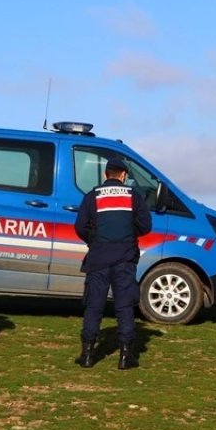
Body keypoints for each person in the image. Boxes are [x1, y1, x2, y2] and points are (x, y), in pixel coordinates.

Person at [74, 156, 151, 370]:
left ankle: (88, 355)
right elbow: (145, 226)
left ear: (105, 174)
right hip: (125, 259)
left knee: (93, 307)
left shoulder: (92, 196)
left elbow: (80, 226)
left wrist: (95, 239)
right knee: (124, 307)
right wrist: (127, 234)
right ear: (124, 175)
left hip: (98, 259)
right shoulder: (133, 196)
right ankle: (126, 357)